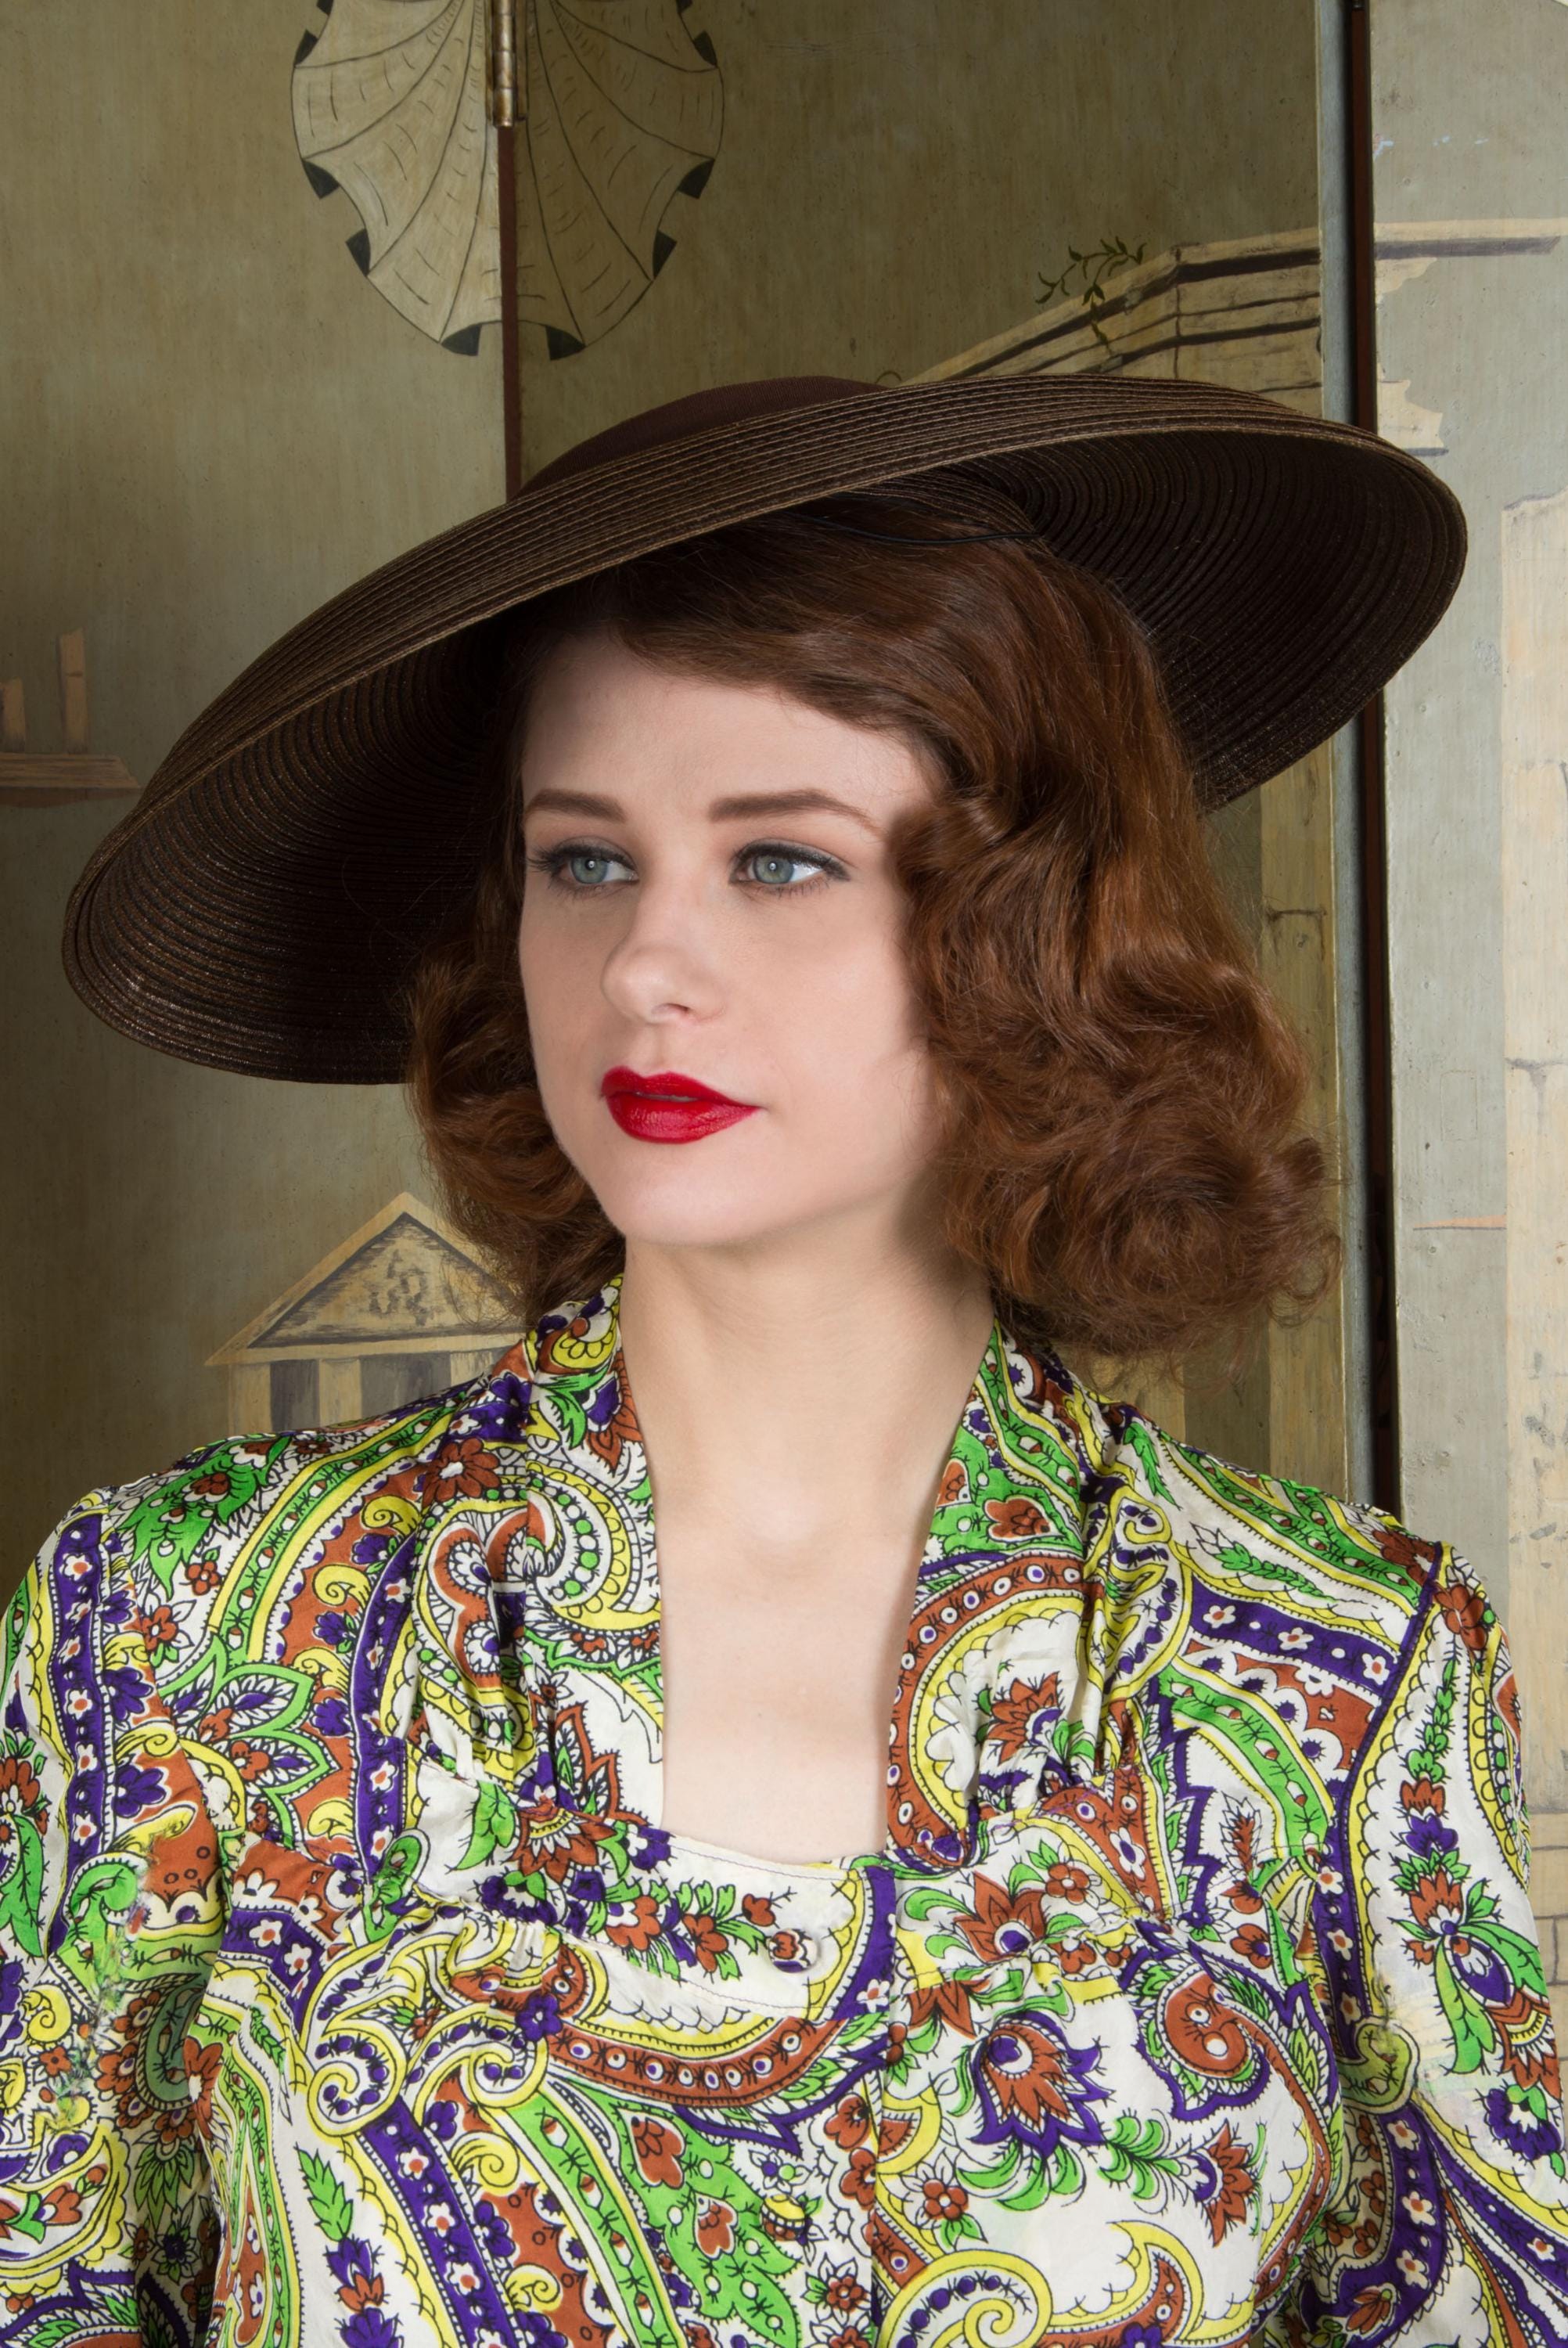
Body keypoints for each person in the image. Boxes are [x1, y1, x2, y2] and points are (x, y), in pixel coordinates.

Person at [4, 374, 1565, 2346]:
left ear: (1029, 926)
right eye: (585, 861)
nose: (648, 965)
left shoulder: (1337, 1682)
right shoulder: (178, 1636)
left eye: (780, 860)